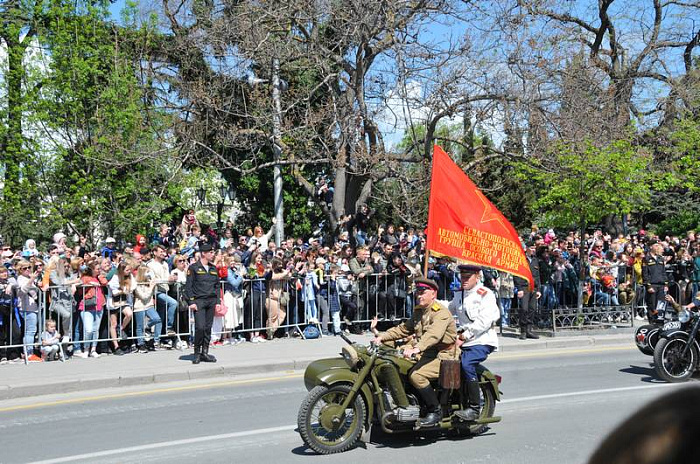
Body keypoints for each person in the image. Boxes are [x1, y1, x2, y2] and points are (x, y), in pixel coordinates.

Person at [372, 277, 458, 427]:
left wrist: (416, 348)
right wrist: (382, 337)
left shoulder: (441, 313)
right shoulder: (419, 311)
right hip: (427, 352)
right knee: (399, 367)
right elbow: (404, 329)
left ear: (433, 294)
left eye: (423, 292)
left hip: (444, 354)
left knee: (416, 376)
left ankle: (435, 411)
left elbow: (433, 334)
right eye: (417, 292)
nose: (419, 295)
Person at [448, 264, 500, 421]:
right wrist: (430, 301)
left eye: (467, 277)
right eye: (462, 276)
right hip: (463, 339)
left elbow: (484, 321)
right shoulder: (459, 294)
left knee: (466, 364)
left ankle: (474, 408)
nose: (463, 280)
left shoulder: (485, 294)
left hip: (481, 340)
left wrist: (464, 336)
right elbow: (448, 308)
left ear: (477, 276)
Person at [184, 243, 219, 364]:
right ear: (204, 253)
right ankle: (197, 353)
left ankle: (205, 352)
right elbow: (188, 286)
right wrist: (191, 301)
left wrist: (218, 301)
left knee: (208, 328)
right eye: (211, 252)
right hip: (199, 301)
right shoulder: (193, 268)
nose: (212, 254)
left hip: (211, 300)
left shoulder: (213, 268)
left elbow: (217, 286)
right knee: (200, 327)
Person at [513, 242, 541, 340]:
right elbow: (517, 275)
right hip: (524, 288)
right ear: (527, 249)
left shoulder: (535, 260)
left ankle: (529, 330)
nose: (534, 249)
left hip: (533, 288)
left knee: (532, 309)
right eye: (532, 248)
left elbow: (537, 276)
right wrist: (519, 289)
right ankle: (523, 331)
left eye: (534, 248)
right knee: (524, 309)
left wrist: (538, 289)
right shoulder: (521, 260)